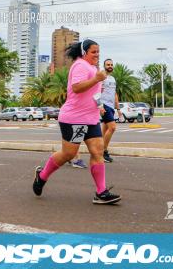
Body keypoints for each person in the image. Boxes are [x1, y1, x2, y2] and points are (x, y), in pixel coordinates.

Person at [32, 39, 121, 205]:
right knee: (69, 154)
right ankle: (42, 176)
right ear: (84, 52)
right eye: (94, 52)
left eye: (98, 51)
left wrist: (100, 106)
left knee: (97, 151)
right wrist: (96, 79)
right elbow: (76, 87)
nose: (97, 54)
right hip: (75, 119)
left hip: (91, 118)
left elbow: (93, 94)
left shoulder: (93, 68)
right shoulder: (80, 65)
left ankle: (101, 192)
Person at [98, 58, 120, 163]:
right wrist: (100, 106)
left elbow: (114, 94)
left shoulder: (113, 79)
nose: (110, 66)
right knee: (112, 127)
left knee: (104, 131)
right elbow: (96, 92)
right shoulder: (101, 77)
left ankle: (98, 151)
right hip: (104, 105)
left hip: (111, 107)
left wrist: (118, 108)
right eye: (108, 64)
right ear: (104, 66)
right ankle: (103, 151)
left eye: (111, 64)